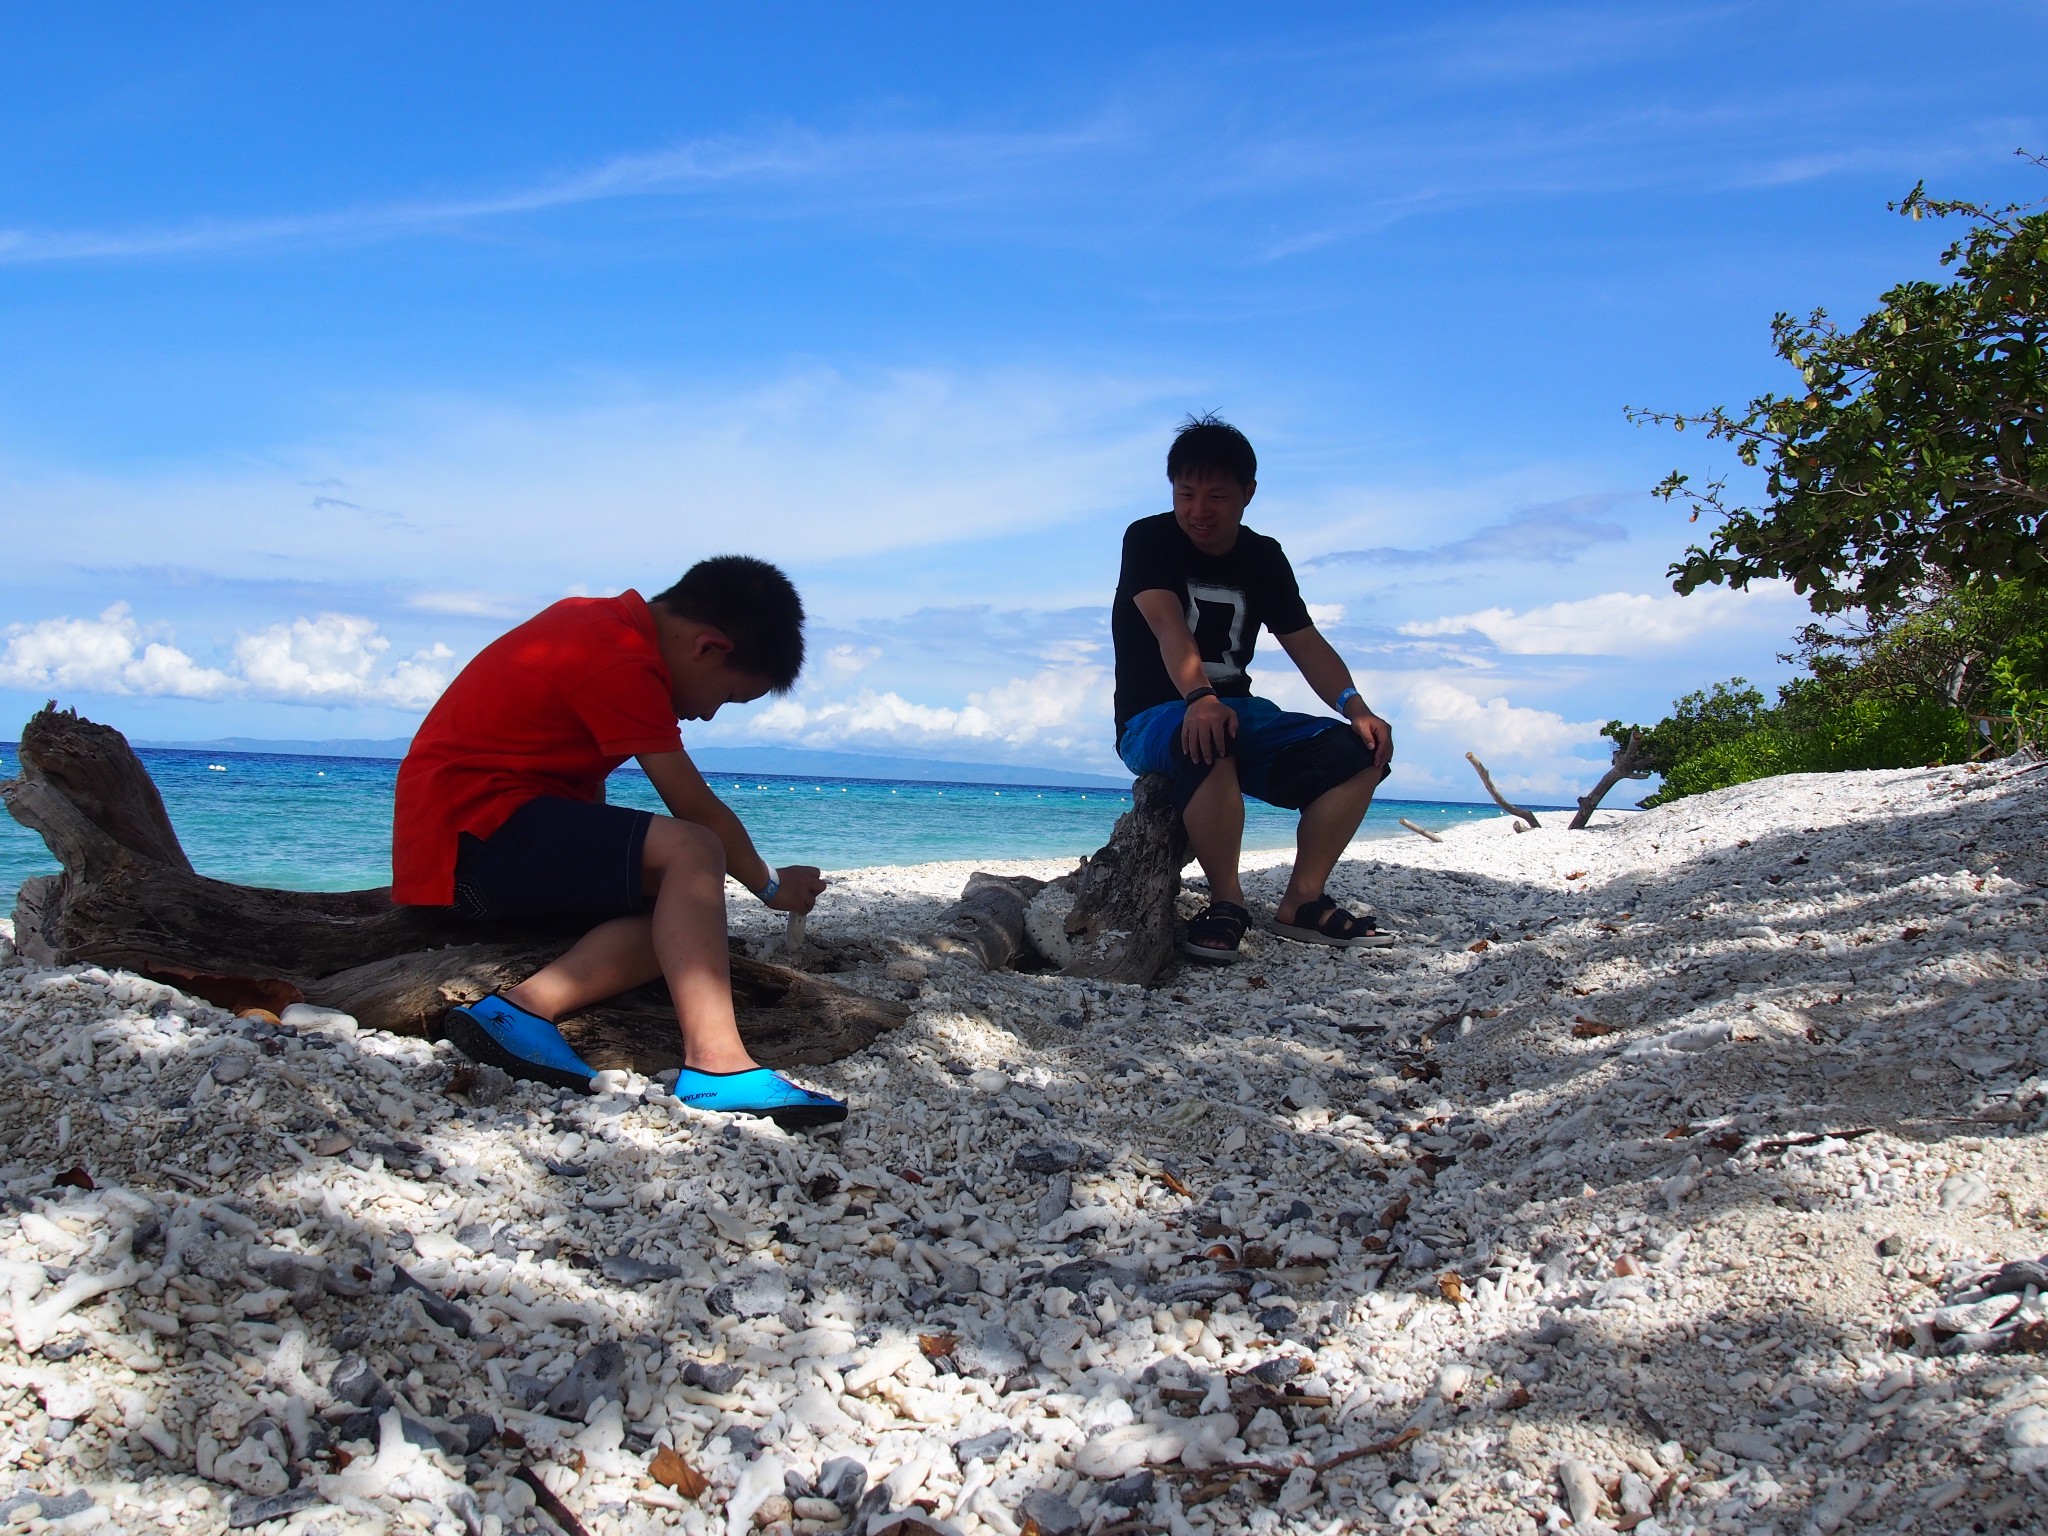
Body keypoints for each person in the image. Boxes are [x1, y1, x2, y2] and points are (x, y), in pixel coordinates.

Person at [390, 556, 845, 1127]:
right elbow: (696, 811)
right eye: (725, 699)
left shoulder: (602, 630)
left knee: (686, 915)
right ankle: (718, 1066)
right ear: (708, 646)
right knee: (695, 849)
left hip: (482, 846)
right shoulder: (614, 654)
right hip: (467, 846)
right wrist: (772, 885)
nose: (706, 715)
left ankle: (515, 1013)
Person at [1111, 414, 1396, 963]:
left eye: (1216, 496)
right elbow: (1169, 627)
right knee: (1211, 732)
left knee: (1363, 750)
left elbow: (1305, 643)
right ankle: (1227, 902)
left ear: (1248, 494)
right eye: (1186, 493)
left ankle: (1302, 901)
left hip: (1238, 713)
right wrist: (1199, 699)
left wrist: (1355, 707)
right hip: (1154, 717)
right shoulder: (1148, 538)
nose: (1198, 510)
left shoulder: (1263, 556)